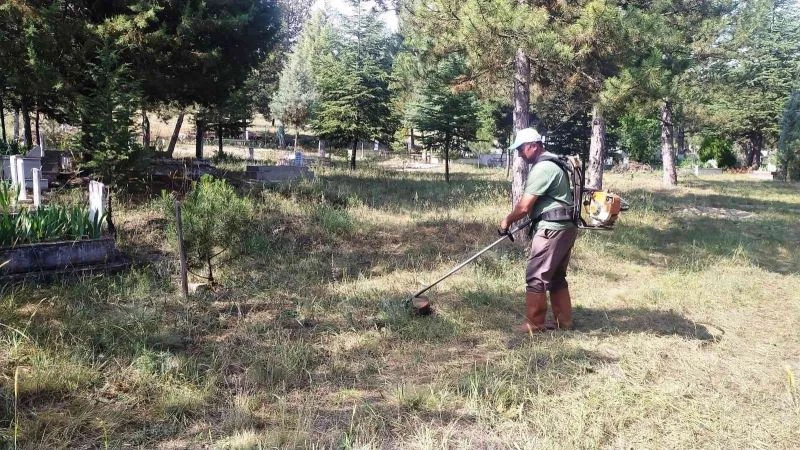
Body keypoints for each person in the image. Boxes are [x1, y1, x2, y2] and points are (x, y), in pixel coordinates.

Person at [499, 128, 578, 332]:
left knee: (536, 276)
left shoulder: (543, 168)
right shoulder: (553, 164)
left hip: (551, 230)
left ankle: (534, 324)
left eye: (521, 149)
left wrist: (507, 221)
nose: (519, 154)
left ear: (533, 146)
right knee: (556, 276)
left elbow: (524, 207)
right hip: (565, 227)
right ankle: (564, 322)